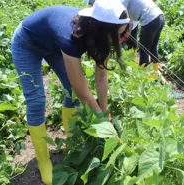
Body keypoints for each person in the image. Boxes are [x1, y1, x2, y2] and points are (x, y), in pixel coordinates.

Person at [11, 0, 129, 184]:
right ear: (101, 30)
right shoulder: (71, 36)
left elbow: (101, 76)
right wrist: (100, 118)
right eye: (116, 36)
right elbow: (80, 88)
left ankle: (72, 141)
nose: (118, 41)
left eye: (121, 36)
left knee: (70, 93)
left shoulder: (101, 34)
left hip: (53, 44)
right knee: (36, 100)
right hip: (27, 42)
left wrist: (104, 113)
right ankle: (44, 162)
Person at [121, 0, 164, 74]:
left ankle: (143, 75)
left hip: (150, 19)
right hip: (160, 16)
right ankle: (155, 73)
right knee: (153, 47)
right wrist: (128, 31)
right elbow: (130, 20)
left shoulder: (122, 2)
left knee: (143, 50)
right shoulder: (132, 4)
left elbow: (121, 16)